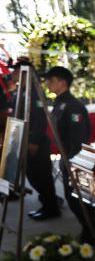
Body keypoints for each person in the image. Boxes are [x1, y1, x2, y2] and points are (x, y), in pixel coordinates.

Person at [44, 66, 95, 240]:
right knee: (72, 198)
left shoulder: (72, 105)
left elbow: (79, 136)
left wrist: (73, 162)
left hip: (76, 158)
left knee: (80, 200)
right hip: (67, 157)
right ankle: (87, 231)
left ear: (63, 82)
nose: (47, 83)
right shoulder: (60, 102)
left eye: (51, 80)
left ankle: (90, 232)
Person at [16, 67, 56, 220]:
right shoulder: (23, 90)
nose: (14, 75)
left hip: (36, 140)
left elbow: (40, 119)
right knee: (33, 175)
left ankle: (50, 207)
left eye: (18, 72)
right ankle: (47, 203)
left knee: (41, 176)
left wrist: (34, 141)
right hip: (26, 138)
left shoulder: (35, 92)